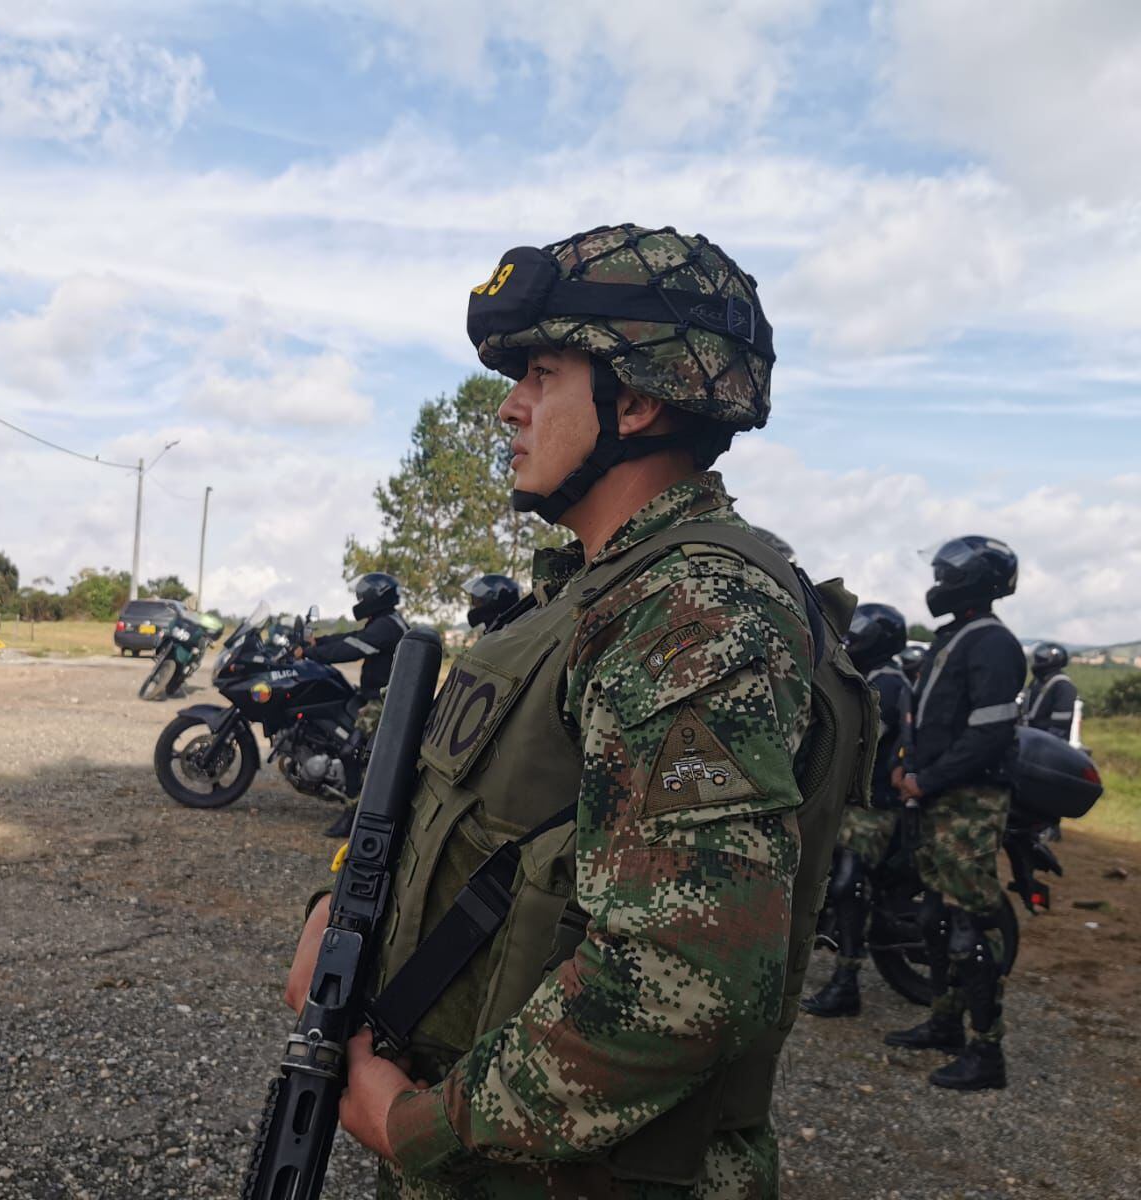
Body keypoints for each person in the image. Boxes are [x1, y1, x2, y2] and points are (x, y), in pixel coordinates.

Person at [284, 223, 868, 1197]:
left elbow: (684, 981)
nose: (509, 408)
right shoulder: (594, 595)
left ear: (632, 403)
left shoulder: (693, 613)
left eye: (542, 376)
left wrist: (421, 1125)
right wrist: (334, 911)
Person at [886, 535, 1026, 1091]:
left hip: (969, 803)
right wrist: (907, 768)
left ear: (973, 581)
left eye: (948, 576)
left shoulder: (991, 643)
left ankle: (987, 1053)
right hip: (940, 799)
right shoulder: (956, 638)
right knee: (935, 919)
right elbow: (930, 722)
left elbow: (990, 734)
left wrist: (928, 778)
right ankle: (945, 1023)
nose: (938, 585)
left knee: (968, 926)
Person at [802, 602, 910, 1018]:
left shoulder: (889, 683)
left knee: (848, 883)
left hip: (875, 806)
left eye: (863, 630)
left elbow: (862, 738)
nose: (853, 636)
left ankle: (847, 980)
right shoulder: (872, 677)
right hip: (859, 802)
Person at [300, 572, 408, 837]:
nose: (359, 600)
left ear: (375, 597)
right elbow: (352, 637)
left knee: (352, 752)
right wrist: (319, 642)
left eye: (362, 596)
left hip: (385, 700)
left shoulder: (387, 627)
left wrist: (312, 653)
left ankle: (353, 816)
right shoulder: (385, 621)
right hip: (379, 693)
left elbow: (350, 650)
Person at [1023, 642, 1077, 740]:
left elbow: (1059, 727)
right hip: (1033, 738)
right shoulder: (1038, 682)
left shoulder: (1062, 685)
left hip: (1049, 744)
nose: (1037, 661)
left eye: (1040, 659)